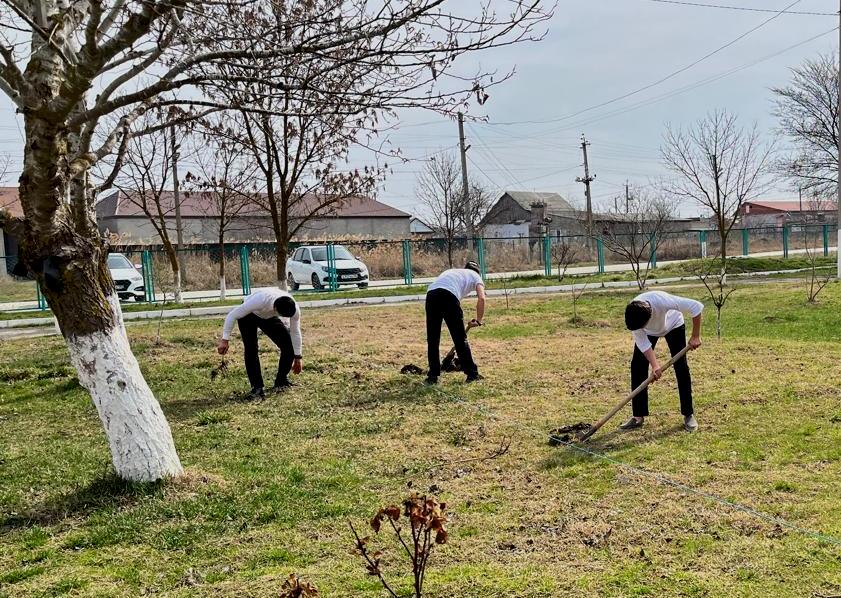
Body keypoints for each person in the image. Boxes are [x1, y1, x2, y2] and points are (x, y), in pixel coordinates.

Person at [620, 290, 703, 432]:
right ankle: (638, 415)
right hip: (649, 332)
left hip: (673, 325)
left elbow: (696, 307)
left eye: (641, 326)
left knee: (681, 367)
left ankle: (688, 414)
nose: (639, 329)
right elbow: (643, 343)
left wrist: (695, 336)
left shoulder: (662, 301)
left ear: (649, 318)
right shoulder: (634, 314)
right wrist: (655, 365)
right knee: (638, 366)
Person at [217, 288, 303, 399]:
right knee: (251, 348)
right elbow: (232, 315)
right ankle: (257, 387)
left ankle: (281, 381)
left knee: (288, 345)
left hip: (268, 316)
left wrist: (298, 357)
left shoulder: (293, 309)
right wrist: (225, 340)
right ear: (275, 309)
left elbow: (295, 332)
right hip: (249, 314)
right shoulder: (259, 300)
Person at [425, 261, 486, 385]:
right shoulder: (475, 276)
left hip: (431, 295)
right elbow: (482, 298)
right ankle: (472, 374)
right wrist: (479, 321)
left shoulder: (452, 272)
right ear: (478, 272)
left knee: (433, 339)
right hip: (449, 296)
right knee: (459, 338)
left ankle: (432, 376)